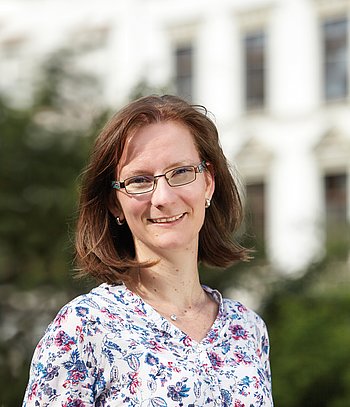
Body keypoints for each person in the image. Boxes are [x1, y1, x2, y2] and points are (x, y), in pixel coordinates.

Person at [23, 95, 273, 406]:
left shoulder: (247, 330)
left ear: (207, 182)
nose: (163, 197)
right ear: (115, 202)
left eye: (181, 172)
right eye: (139, 180)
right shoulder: (84, 327)